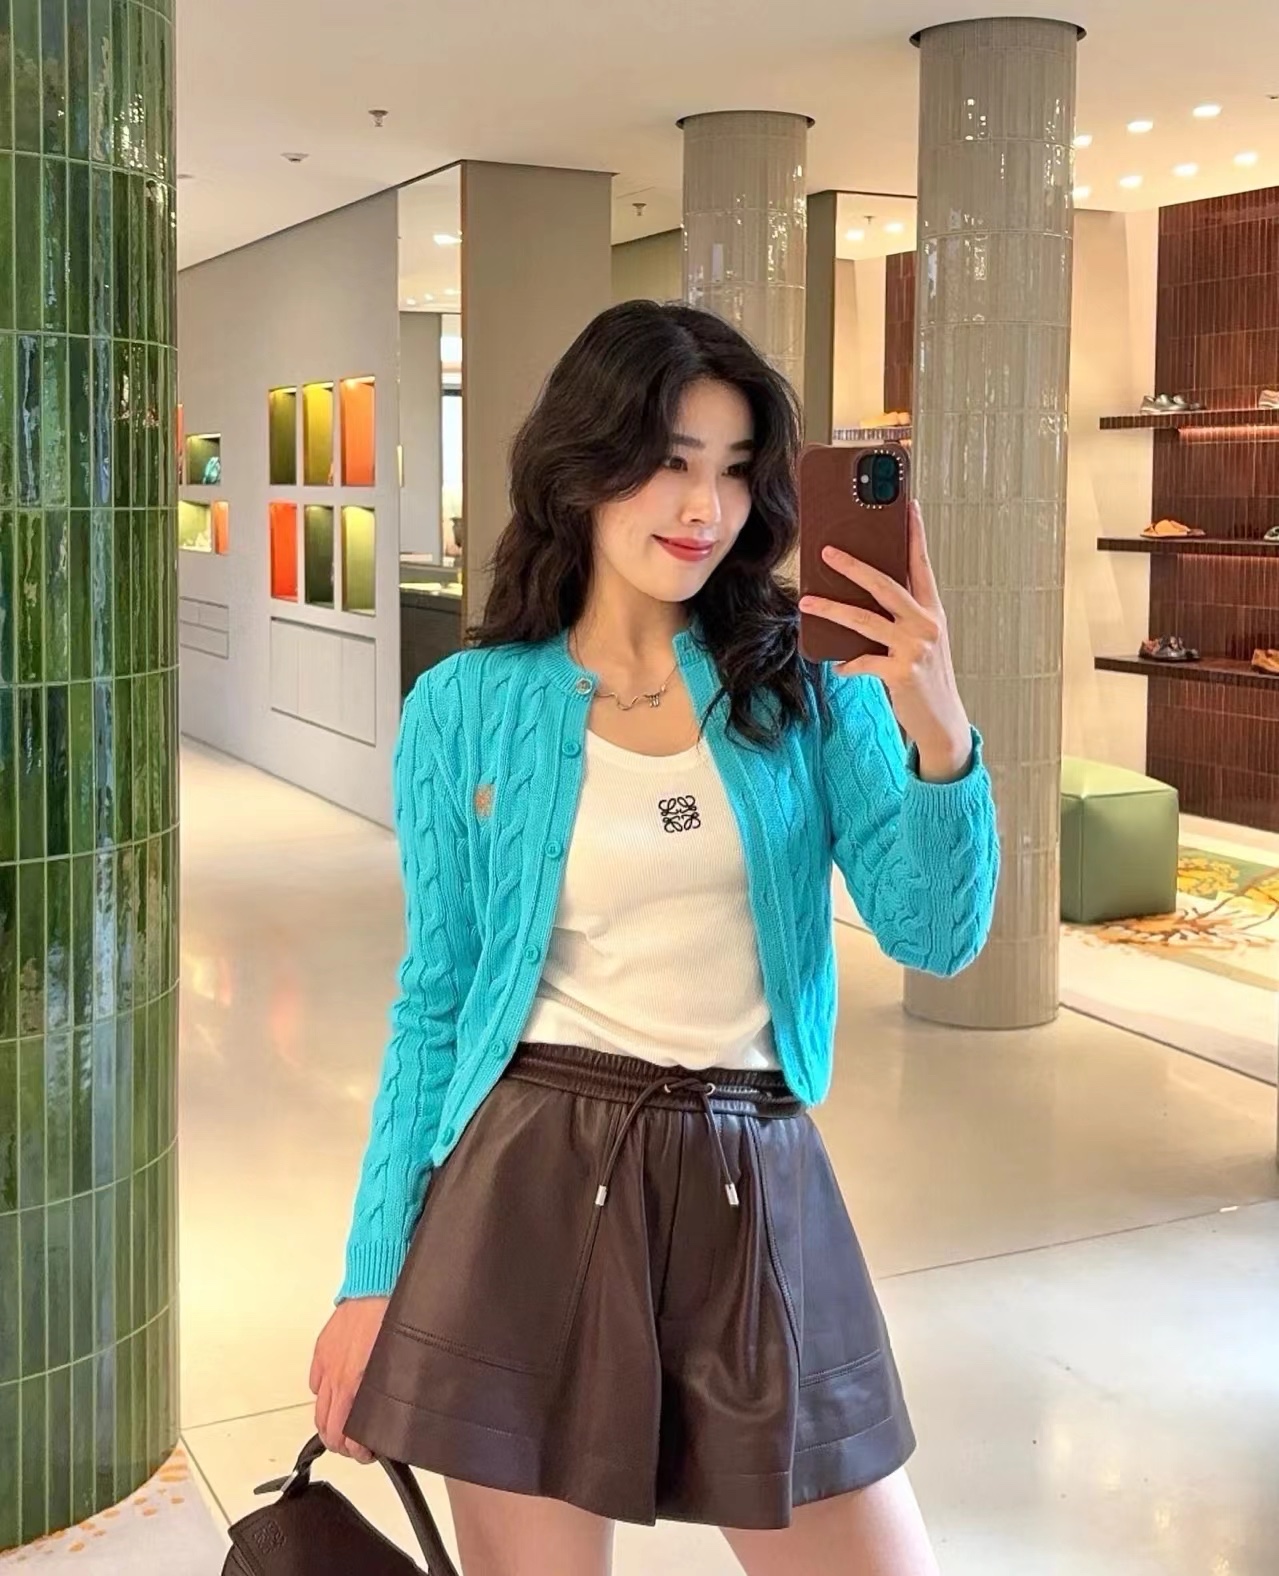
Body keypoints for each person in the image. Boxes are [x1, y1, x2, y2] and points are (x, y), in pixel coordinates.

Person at [310, 301, 1000, 1576]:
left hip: (755, 1179)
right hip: (525, 1184)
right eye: (670, 461)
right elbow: (437, 1000)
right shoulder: (466, 706)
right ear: (584, 464)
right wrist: (371, 1273)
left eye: (735, 471)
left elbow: (936, 932)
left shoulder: (803, 684)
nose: (704, 506)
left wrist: (938, 725)